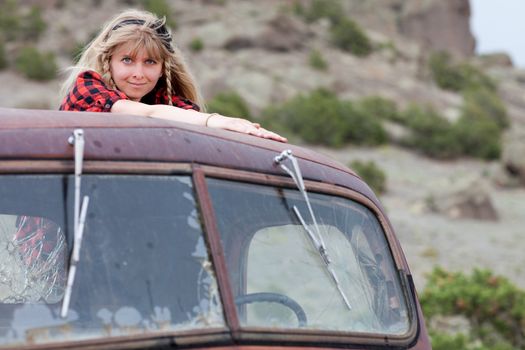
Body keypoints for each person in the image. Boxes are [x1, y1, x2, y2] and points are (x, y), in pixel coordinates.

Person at [59, 9, 286, 142]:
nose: (138, 73)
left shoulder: (167, 104)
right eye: (127, 60)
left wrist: (245, 132)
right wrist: (215, 120)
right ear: (108, 61)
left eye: (150, 62)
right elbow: (147, 114)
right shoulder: (87, 90)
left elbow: (189, 122)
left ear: (162, 69)